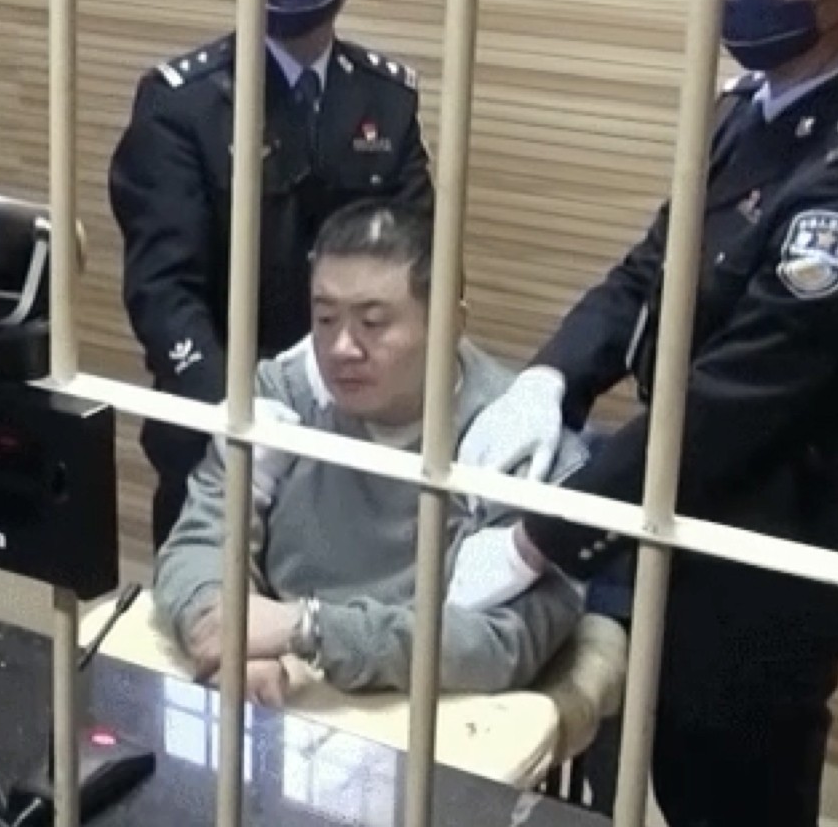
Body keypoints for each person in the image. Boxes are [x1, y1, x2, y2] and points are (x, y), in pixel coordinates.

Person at [457, 0, 838, 827]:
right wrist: (552, 377)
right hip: (670, 525)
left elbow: (733, 403)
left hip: (760, 564)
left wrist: (542, 537)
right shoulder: (749, 112)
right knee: (660, 794)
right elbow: (653, 267)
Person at [109, 0, 433, 552]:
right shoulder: (182, 106)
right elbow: (164, 293)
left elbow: (417, 267)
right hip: (219, 435)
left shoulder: (386, 100)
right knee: (208, 612)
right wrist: (239, 414)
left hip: (358, 430)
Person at [152, 200, 584, 706]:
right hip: (280, 686)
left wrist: (309, 629)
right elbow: (198, 539)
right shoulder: (286, 393)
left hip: (430, 710)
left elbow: (503, 641)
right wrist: (227, 629)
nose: (342, 348)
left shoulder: (517, 438)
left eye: (373, 322)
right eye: (325, 318)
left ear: (450, 322)